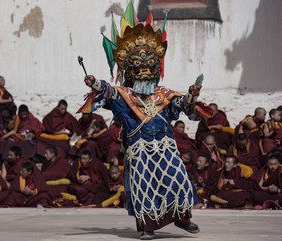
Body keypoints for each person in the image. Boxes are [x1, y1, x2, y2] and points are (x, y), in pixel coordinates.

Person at [80, 22, 211, 238]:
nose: (145, 71)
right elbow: (108, 90)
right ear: (130, 72)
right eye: (139, 68)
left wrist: (191, 93)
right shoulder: (124, 96)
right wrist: (94, 83)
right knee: (144, 189)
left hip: (166, 148)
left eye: (150, 67)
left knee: (177, 180)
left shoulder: (165, 94)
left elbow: (184, 105)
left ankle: (182, 217)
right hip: (139, 150)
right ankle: (147, 228)